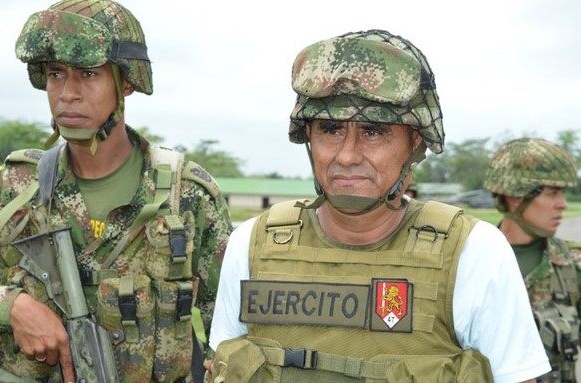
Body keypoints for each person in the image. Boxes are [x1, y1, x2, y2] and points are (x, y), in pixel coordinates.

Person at [206, 29, 550, 383]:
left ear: (414, 143)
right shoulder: (252, 243)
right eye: (330, 129)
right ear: (309, 136)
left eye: (373, 131)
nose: (348, 155)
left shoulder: (474, 251)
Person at [0, 1, 232, 382]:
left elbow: (229, 330)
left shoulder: (187, 195)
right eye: (56, 74)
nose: (67, 94)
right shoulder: (17, 186)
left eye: (88, 74)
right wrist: (12, 307)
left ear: (127, 81)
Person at [484, 137, 581, 383]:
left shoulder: (573, 265)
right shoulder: (468, 261)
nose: (563, 204)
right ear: (517, 197)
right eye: (552, 193)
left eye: (563, 193)